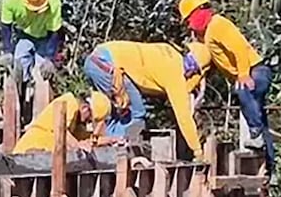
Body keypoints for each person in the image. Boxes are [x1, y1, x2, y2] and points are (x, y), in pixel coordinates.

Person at [177, 0, 274, 175]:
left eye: (189, 20)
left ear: (198, 13)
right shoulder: (205, 36)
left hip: (255, 71)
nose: (189, 26)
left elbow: (238, 48)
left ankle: (255, 133)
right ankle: (270, 168)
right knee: (260, 119)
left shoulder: (218, 24)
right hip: (246, 71)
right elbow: (209, 65)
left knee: (242, 89)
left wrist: (244, 74)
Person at [81, 40, 210, 162]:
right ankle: (117, 152)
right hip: (106, 65)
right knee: (137, 113)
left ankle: (108, 145)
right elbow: (184, 118)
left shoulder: (171, 52)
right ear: (195, 70)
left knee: (115, 112)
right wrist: (197, 151)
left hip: (98, 57)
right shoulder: (175, 77)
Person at [0, 0, 64, 113]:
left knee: (43, 76)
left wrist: (49, 59)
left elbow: (55, 32)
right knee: (18, 67)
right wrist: (7, 51)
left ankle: (40, 114)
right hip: (24, 35)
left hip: (46, 38)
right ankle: (20, 108)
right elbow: (5, 27)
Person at [12, 91, 114, 154]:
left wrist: (110, 140)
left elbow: (87, 139)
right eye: (90, 118)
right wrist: (78, 146)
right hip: (28, 153)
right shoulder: (69, 103)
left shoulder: (75, 121)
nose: (88, 122)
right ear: (85, 108)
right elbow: (62, 132)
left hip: (41, 158)